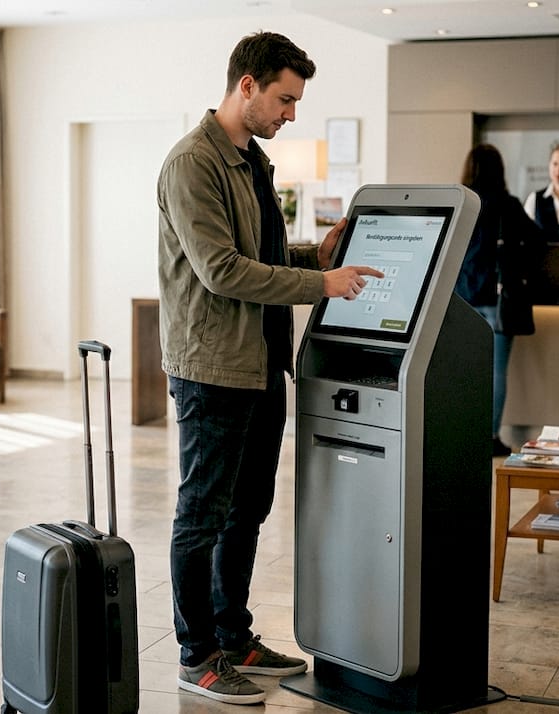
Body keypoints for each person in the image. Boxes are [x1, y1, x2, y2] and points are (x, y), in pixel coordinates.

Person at [156, 31, 383, 706]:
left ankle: (235, 636)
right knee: (202, 513)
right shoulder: (191, 163)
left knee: (246, 511)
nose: (291, 114)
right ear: (246, 85)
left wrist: (318, 257)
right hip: (212, 369)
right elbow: (222, 271)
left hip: (260, 366)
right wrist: (324, 285)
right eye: (285, 99)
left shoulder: (252, 160)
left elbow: (264, 257)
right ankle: (197, 655)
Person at [455, 144, 545, 456]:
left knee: (465, 370)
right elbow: (536, 239)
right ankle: (489, 436)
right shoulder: (507, 204)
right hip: (495, 299)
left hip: (461, 298)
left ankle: (462, 431)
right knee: (496, 371)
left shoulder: (460, 202)